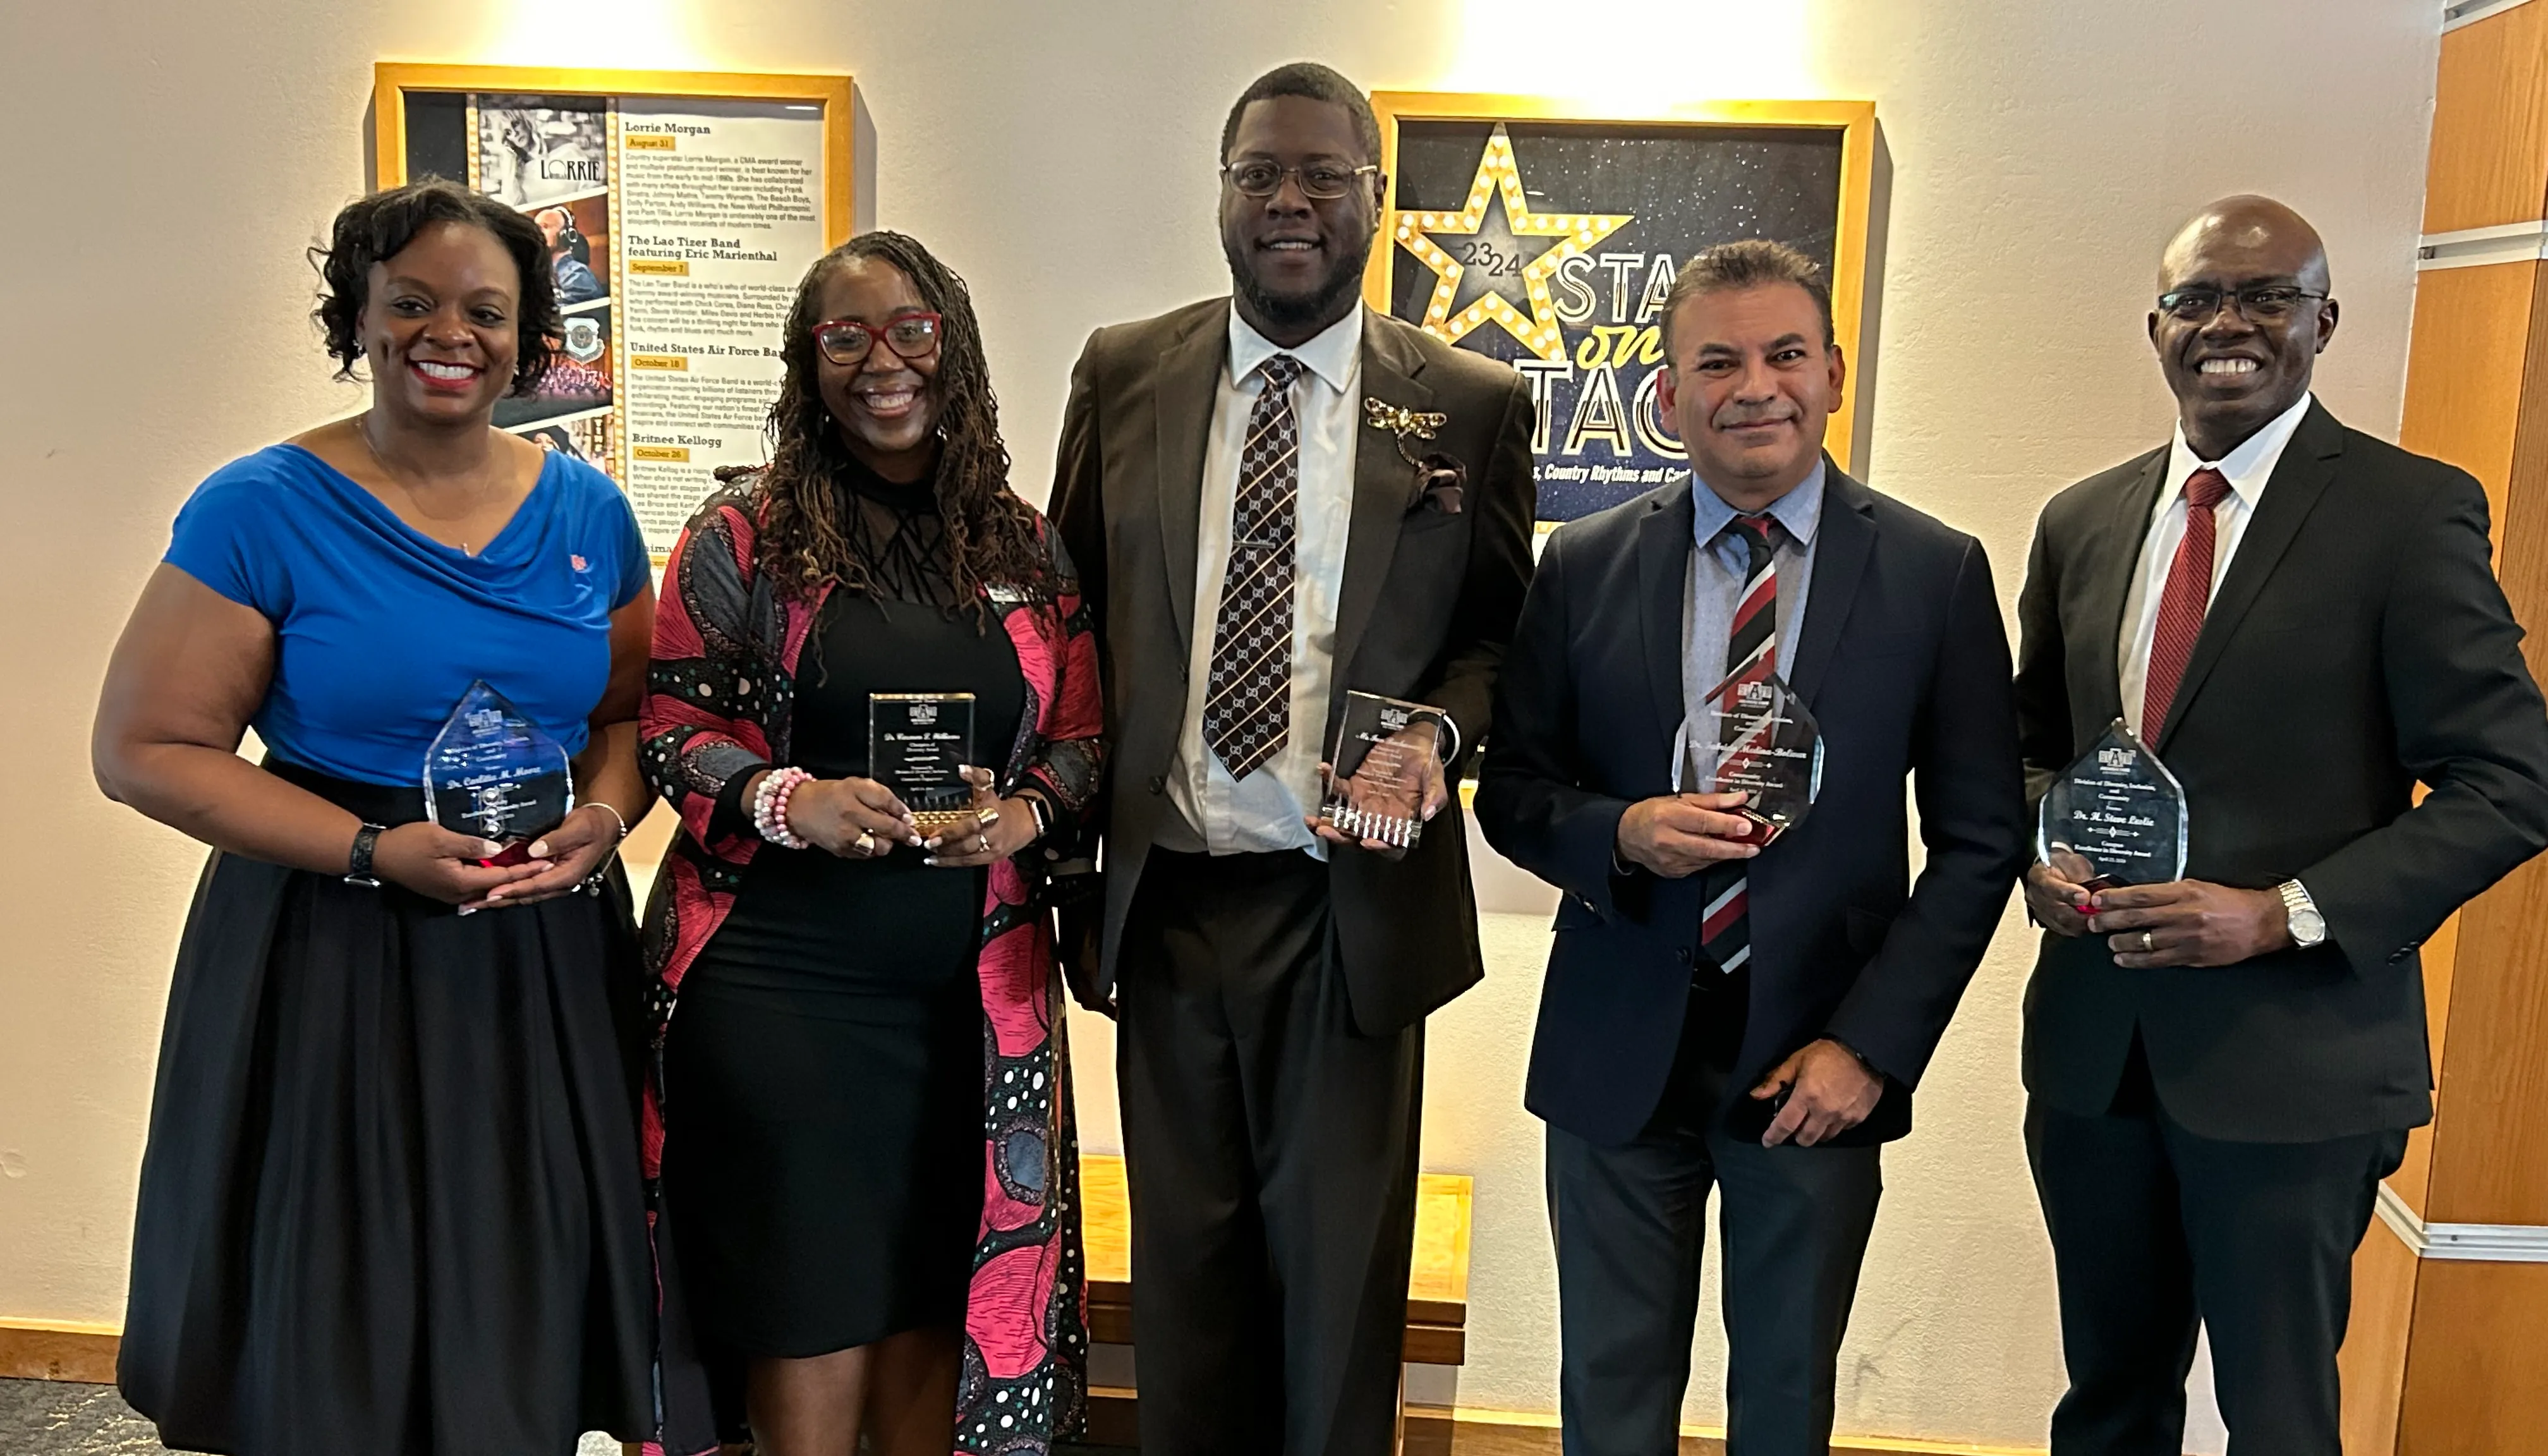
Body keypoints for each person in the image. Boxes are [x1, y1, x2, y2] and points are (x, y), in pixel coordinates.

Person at [92, 178, 656, 1455]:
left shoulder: (590, 512)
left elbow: (626, 718)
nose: (447, 333)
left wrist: (607, 821)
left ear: (529, 339)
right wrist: (367, 850)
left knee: (518, 1281)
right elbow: (143, 749)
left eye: (484, 311)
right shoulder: (260, 506)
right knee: (334, 1303)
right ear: (356, 314)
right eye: (410, 303)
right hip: (331, 938)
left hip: (537, 946)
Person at [1049, 61, 1536, 1456]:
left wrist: (1433, 738)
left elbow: (1502, 641)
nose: (1290, 200)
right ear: (1221, 193)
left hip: (1349, 913)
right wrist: (1059, 855)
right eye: (1260, 171)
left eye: (1324, 174)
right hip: (1170, 901)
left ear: (1376, 197)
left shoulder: (1468, 401)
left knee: (1337, 1299)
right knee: (1184, 1285)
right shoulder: (1123, 371)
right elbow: (1065, 625)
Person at [1476, 240, 2029, 1456]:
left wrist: (1872, 1048)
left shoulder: (1933, 572)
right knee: (1609, 1398)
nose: (1755, 387)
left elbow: (1982, 838)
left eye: (1784, 355)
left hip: (1816, 1061)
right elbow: (1511, 791)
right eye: (1717, 362)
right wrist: (1620, 831)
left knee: (1784, 1403)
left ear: (1833, 373)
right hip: (1618, 1049)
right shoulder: (1583, 563)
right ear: (1667, 394)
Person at [2015, 196, 2548, 1454]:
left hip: (2296, 1069)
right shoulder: (2082, 520)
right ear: (2158, 327)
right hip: (2096, 1054)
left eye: (2267, 297)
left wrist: (2280, 914)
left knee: (2280, 1420)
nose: (2230, 324)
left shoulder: (2408, 514)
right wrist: (2044, 852)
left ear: (2325, 321)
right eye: (2198, 299)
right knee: (2106, 1405)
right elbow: (2034, 747)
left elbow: (2511, 777)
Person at [638, 231, 1101, 1456]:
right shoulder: (742, 536)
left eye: (910, 330)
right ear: (808, 362)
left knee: (940, 1290)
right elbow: (671, 729)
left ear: (956, 348)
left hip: (970, 1008)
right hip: (783, 994)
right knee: (809, 1300)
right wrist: (788, 798)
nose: (880, 360)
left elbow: (1081, 741)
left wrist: (1021, 814)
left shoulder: (1025, 547)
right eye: (844, 336)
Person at [535, 204, 605, 305]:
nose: (538, 233)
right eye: (537, 228)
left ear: (565, 235)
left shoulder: (576, 273)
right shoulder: (545, 274)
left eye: (545, 227)